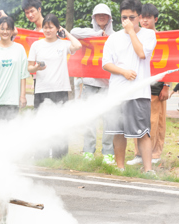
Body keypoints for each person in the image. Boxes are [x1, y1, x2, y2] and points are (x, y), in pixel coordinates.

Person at [102, 0, 157, 173]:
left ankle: (148, 169)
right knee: (118, 131)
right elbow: (106, 64)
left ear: (140, 17)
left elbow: (141, 53)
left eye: (131, 17)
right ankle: (120, 167)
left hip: (139, 93)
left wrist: (131, 32)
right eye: (124, 17)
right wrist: (123, 72)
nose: (127, 21)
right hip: (117, 92)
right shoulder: (113, 38)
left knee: (143, 132)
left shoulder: (148, 35)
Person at [28, 13, 82, 158]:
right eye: (45, 27)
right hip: (42, 89)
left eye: (51, 27)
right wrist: (37, 68)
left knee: (60, 123)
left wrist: (66, 33)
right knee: (41, 123)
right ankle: (41, 155)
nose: (47, 30)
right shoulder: (36, 45)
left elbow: (78, 45)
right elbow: (29, 68)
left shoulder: (63, 44)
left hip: (61, 89)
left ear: (57, 28)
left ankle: (60, 156)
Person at [70, 3, 115, 164]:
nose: (101, 17)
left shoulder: (115, 36)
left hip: (109, 84)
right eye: (98, 15)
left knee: (110, 119)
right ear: (94, 18)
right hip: (89, 82)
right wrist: (96, 34)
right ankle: (88, 151)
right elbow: (73, 32)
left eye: (105, 15)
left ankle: (108, 152)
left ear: (110, 18)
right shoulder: (87, 34)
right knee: (89, 118)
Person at [127, 3, 170, 165]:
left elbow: (170, 63)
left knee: (155, 121)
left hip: (157, 85)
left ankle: (155, 154)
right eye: (142, 17)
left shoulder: (162, 38)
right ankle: (138, 154)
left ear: (155, 19)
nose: (144, 20)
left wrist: (167, 85)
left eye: (148, 17)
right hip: (139, 83)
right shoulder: (135, 36)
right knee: (138, 119)